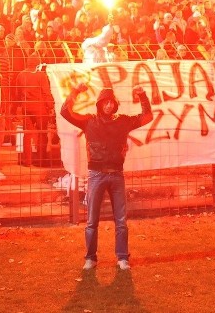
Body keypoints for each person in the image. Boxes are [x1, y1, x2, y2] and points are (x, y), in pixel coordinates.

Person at [60, 84, 152, 271]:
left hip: (116, 174)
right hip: (96, 174)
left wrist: (142, 96)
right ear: (100, 104)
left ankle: (122, 258)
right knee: (92, 221)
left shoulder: (123, 121)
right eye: (105, 102)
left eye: (112, 102)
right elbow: (65, 112)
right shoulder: (89, 121)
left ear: (115, 104)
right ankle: (90, 258)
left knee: (121, 220)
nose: (109, 105)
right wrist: (76, 92)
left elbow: (147, 117)